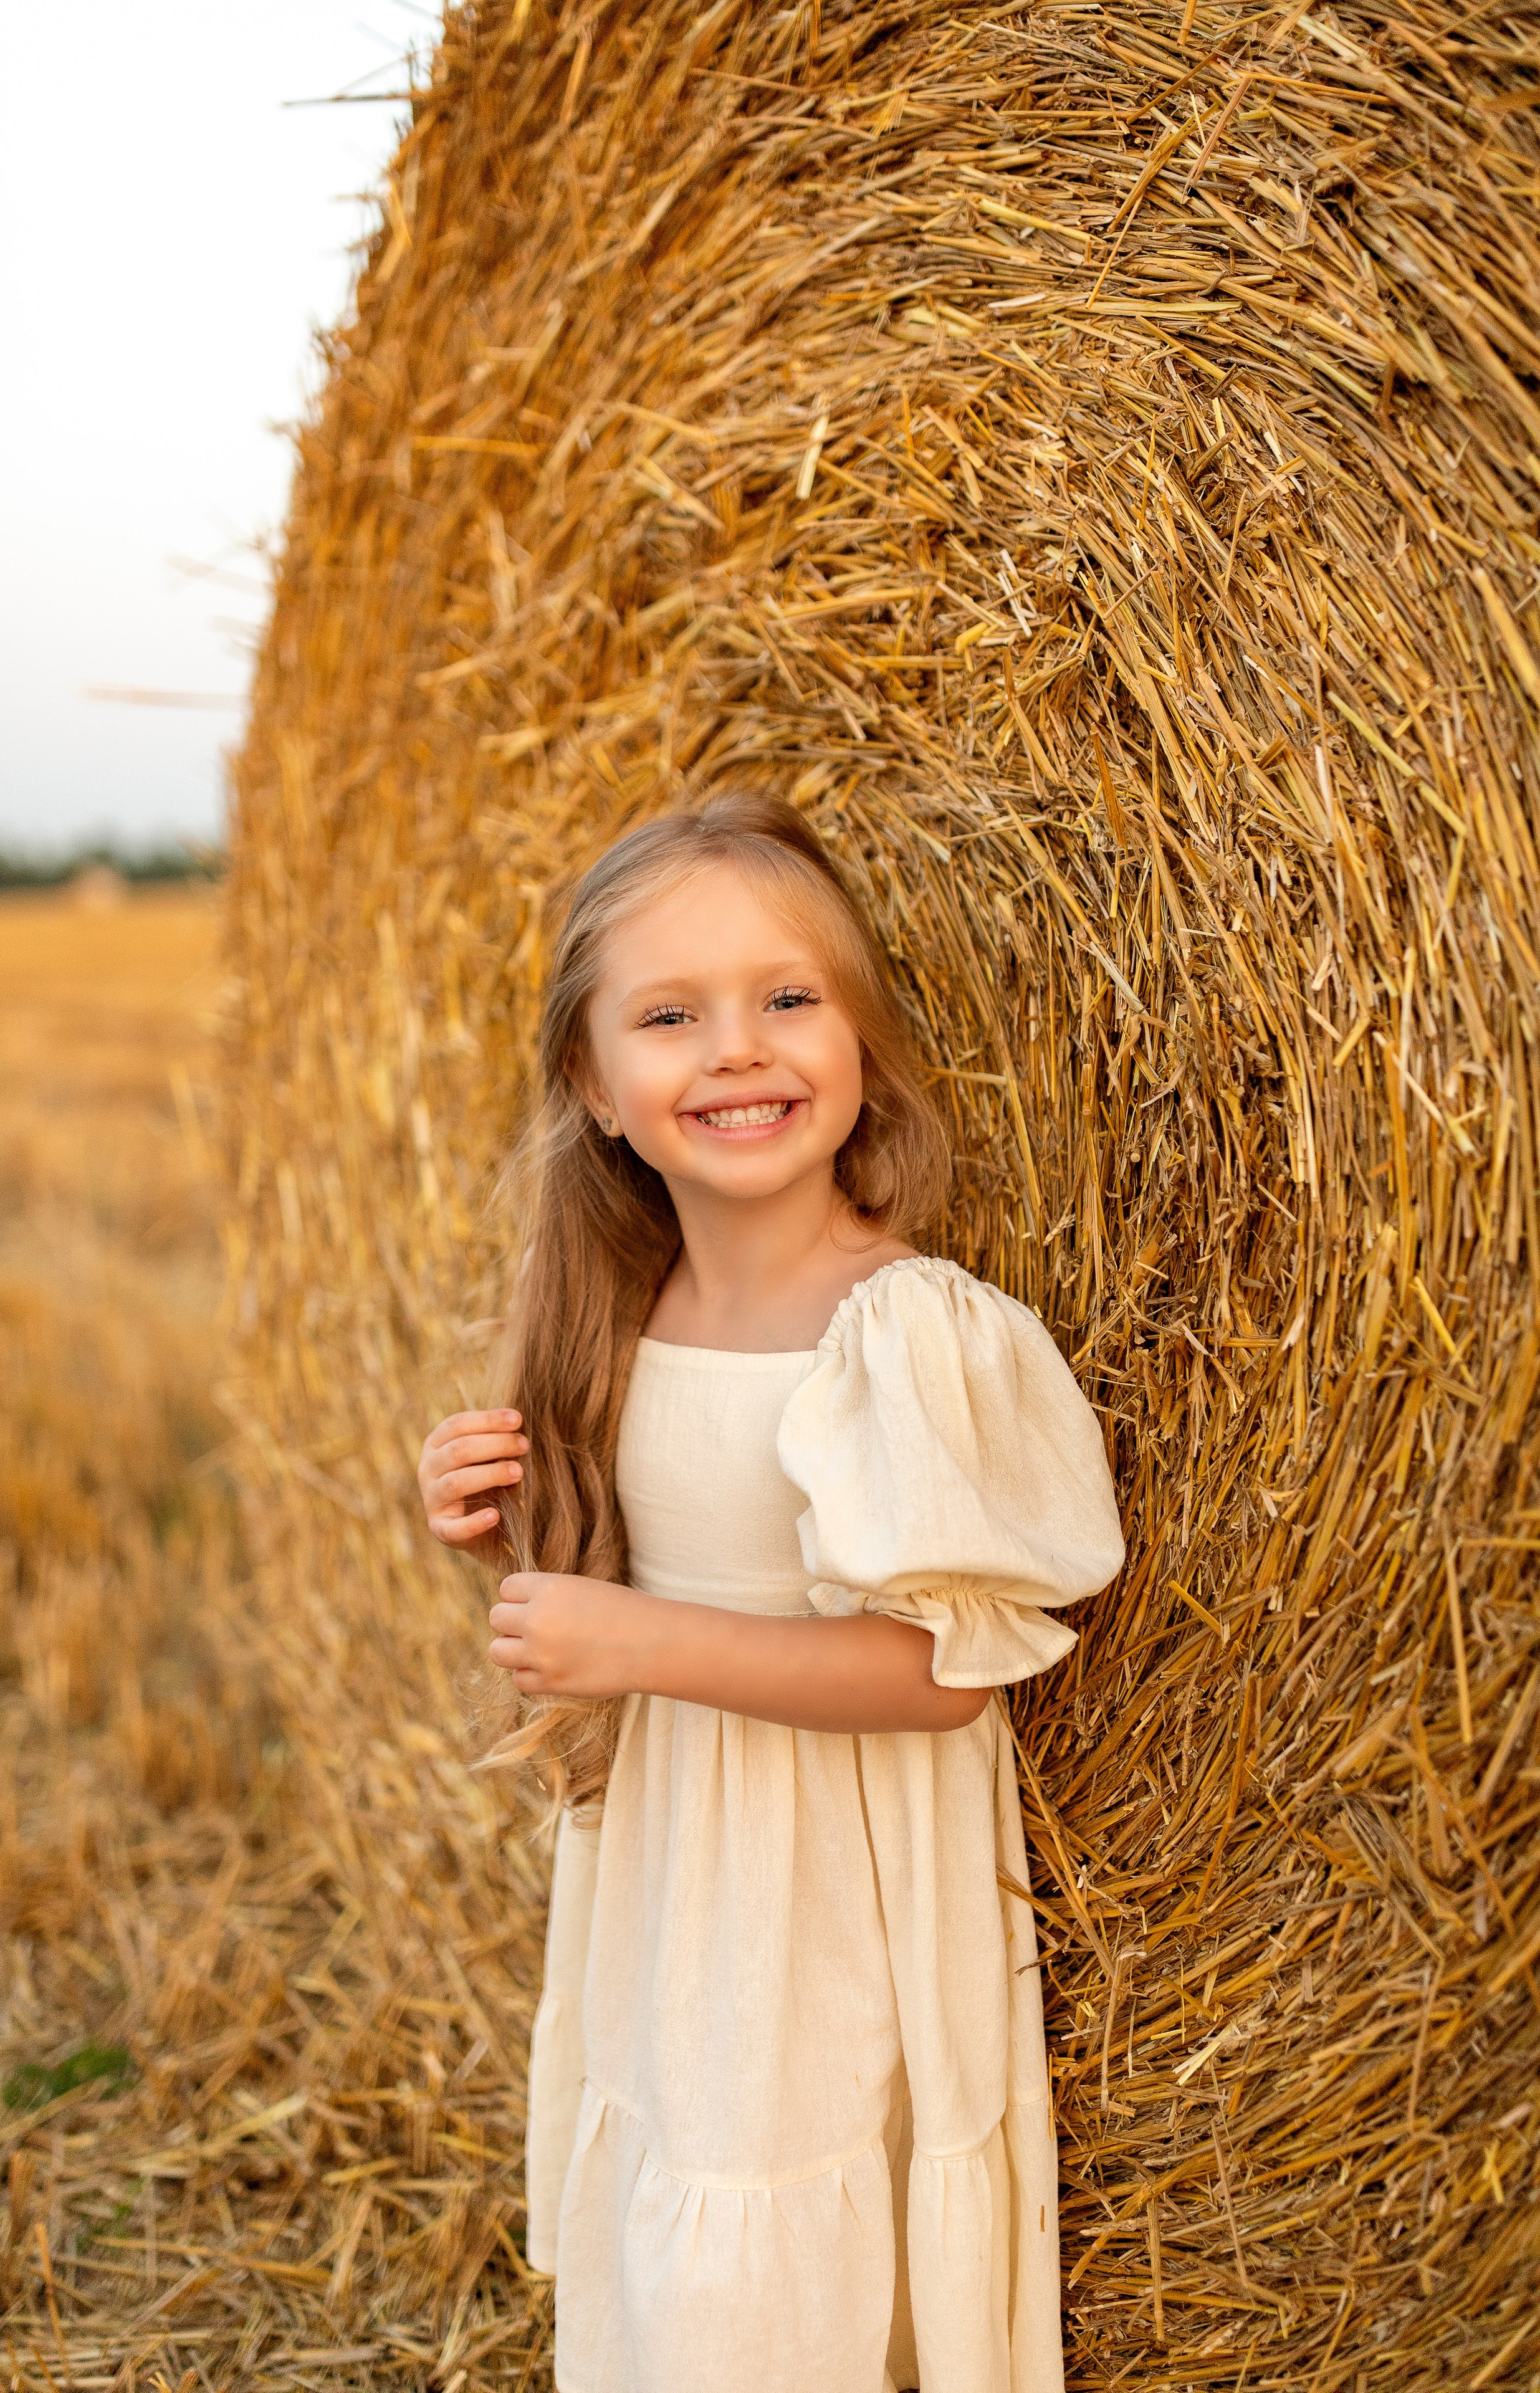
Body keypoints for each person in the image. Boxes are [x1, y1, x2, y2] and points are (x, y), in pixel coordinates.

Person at [414, 793, 1124, 2393]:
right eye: (671, 1016)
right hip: (680, 1875)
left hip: (832, 1884)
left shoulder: (902, 1325)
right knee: (686, 2240)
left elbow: (944, 1673)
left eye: (788, 999)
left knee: (770, 2281)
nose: (737, 1049)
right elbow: (622, 1590)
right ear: (594, 1087)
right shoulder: (617, 1310)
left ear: (862, 1040)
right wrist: (506, 1550)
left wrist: (639, 1639)